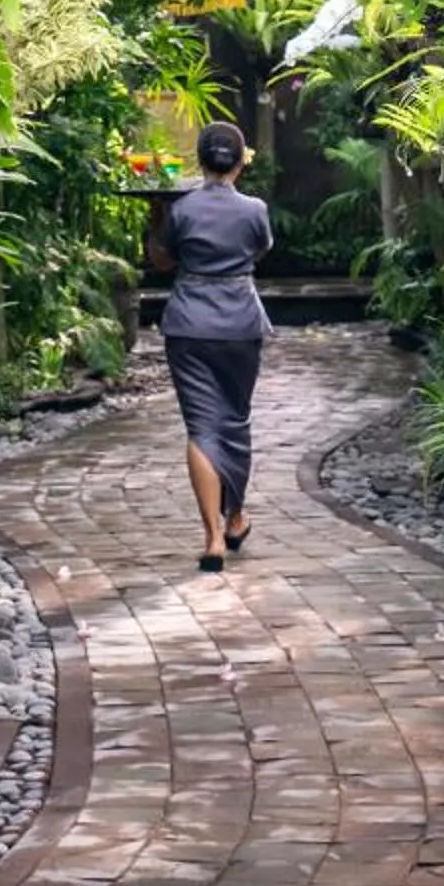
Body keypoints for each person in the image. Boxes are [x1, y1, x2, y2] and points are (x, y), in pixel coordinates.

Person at [145, 121, 274, 573]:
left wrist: (157, 223)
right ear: (240, 163)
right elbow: (259, 252)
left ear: (200, 162)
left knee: (202, 426)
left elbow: (162, 260)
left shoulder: (181, 210)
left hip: (188, 325)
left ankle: (216, 535)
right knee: (235, 421)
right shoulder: (255, 209)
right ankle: (235, 516)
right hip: (240, 322)